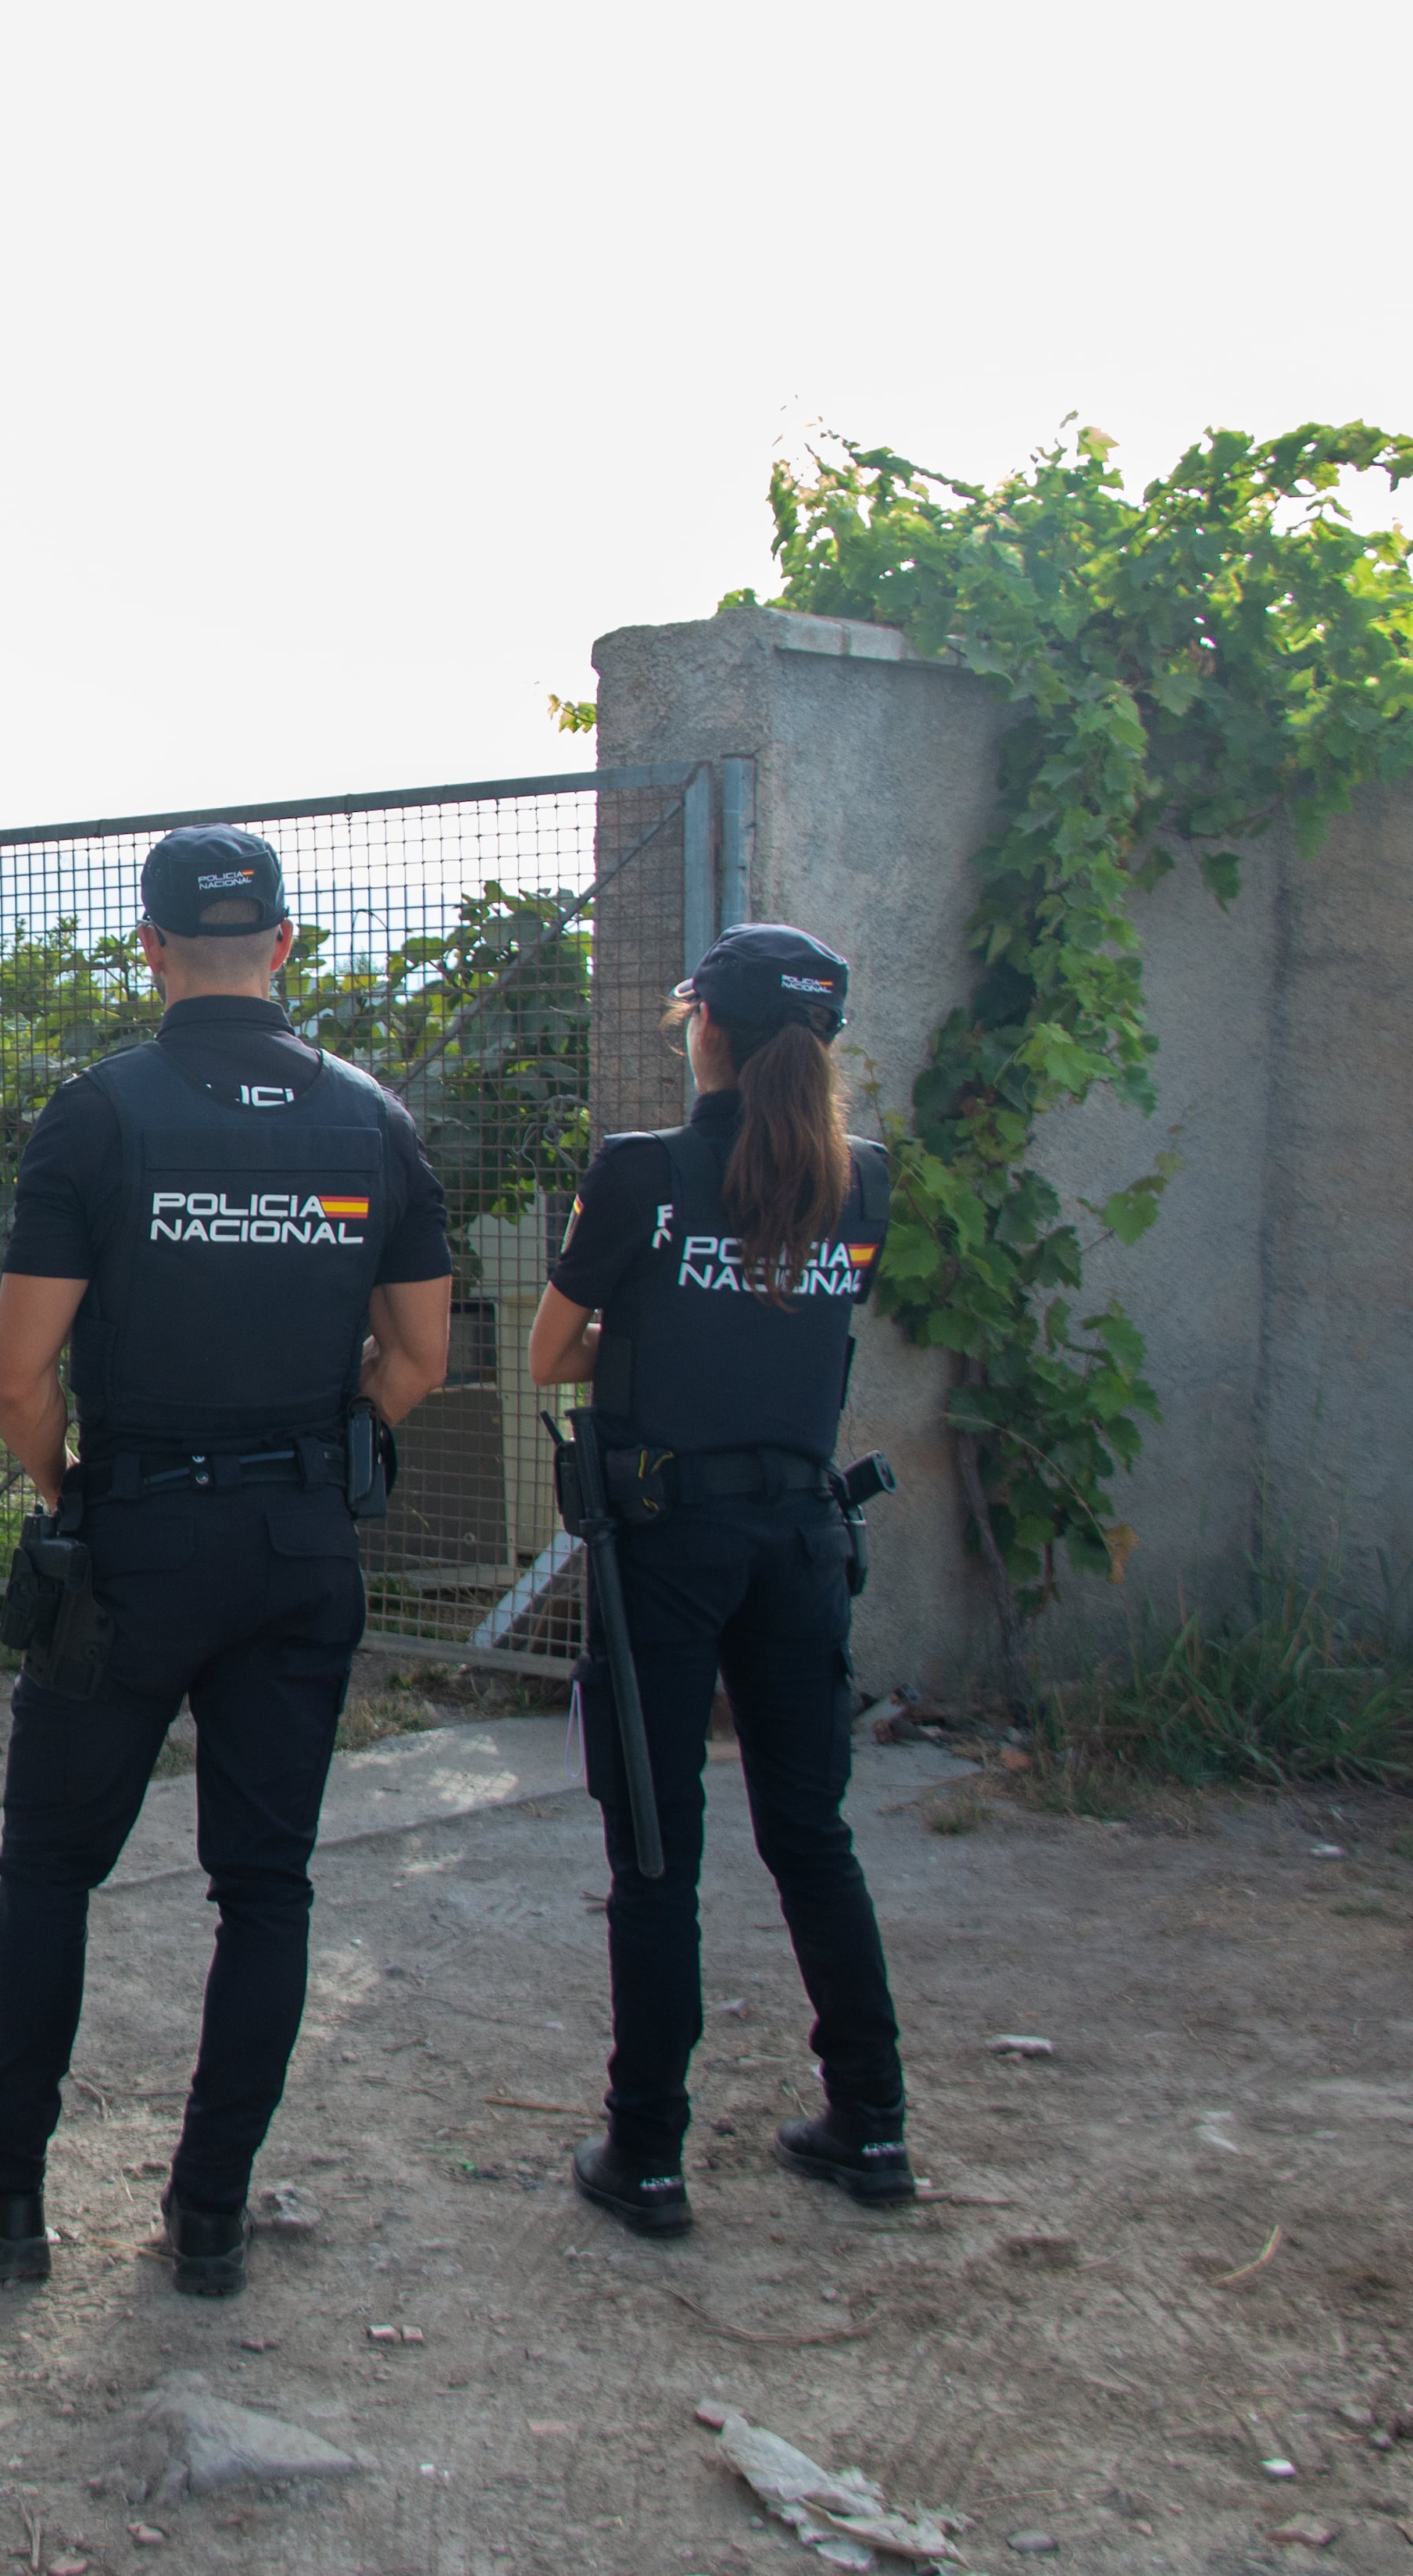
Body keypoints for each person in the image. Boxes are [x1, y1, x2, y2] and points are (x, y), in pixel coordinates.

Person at [0, 825, 454, 2299]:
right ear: (285, 945)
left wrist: (72, 1487)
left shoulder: (97, 1120)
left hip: (138, 1539)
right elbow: (420, 1355)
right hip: (299, 1543)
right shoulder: (372, 1123)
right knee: (265, 1888)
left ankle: (6, 2200)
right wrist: (323, 1442)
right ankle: (210, 2213)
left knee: (49, 1870)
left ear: (148, 950)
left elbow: (22, 1376)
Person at [523, 921, 908, 2237]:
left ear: (712, 1033)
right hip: (804, 1542)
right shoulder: (865, 1181)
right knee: (814, 1837)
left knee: (657, 1853)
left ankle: (647, 2153)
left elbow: (548, 1355)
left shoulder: (643, 1171)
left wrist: (655, 1330)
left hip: (670, 1545)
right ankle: (873, 2123)